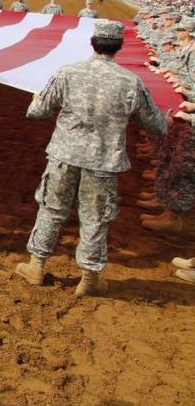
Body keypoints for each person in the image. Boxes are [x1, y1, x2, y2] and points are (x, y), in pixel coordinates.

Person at [15, 20, 167, 297]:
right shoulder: (130, 82)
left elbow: (37, 111)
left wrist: (38, 97)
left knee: (51, 210)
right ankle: (90, 278)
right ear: (119, 46)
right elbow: (157, 126)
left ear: (93, 43)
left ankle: (36, 265)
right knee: (96, 218)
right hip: (104, 163)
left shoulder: (69, 73)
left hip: (64, 155)